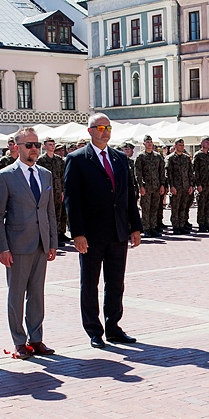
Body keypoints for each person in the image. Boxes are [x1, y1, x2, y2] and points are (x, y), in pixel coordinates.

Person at [64, 114, 142, 348]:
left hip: (117, 232)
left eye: (108, 127)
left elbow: (129, 194)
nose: (105, 131)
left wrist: (135, 227)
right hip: (91, 234)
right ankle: (94, 331)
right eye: (100, 127)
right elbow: (72, 199)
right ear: (90, 131)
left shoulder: (119, 158)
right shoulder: (77, 159)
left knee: (116, 282)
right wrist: (77, 232)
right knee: (90, 283)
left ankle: (113, 327)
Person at [0, 128, 58, 359]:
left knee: (37, 294)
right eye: (28, 145)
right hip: (16, 246)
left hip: (41, 243)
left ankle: (36, 339)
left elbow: (50, 211)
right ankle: (19, 341)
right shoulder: (5, 176)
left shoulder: (46, 174)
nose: (34, 149)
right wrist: (2, 248)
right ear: (16, 147)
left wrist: (52, 242)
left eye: (36, 144)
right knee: (16, 295)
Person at [36, 137, 68, 246]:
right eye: (50, 144)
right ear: (45, 146)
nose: (52, 146)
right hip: (46, 191)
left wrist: (63, 191)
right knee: (47, 214)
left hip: (58, 192)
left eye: (53, 144)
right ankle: (47, 237)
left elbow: (63, 176)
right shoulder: (41, 160)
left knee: (57, 214)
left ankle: (57, 236)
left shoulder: (59, 160)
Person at [134, 135, 166, 238]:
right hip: (146, 187)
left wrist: (162, 185)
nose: (149, 144)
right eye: (147, 142)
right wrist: (140, 186)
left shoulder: (157, 156)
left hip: (156, 187)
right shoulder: (140, 157)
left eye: (151, 142)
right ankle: (146, 229)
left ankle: (153, 227)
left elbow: (161, 172)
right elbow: (138, 173)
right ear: (144, 144)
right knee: (146, 209)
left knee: (154, 208)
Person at [165, 139, 194, 235]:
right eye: (180, 145)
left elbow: (190, 173)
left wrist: (191, 185)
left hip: (185, 187)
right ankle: (176, 226)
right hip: (176, 187)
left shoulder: (186, 158)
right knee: (175, 208)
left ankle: (182, 225)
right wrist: (171, 186)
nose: (182, 146)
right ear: (175, 146)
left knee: (183, 207)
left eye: (183, 145)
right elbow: (168, 174)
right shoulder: (171, 158)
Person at [192, 137, 209, 233]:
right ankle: (201, 224)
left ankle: (208, 222)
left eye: (208, 142)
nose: (207, 144)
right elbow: (195, 171)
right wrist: (197, 184)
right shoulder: (198, 156)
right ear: (201, 143)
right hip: (202, 185)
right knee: (201, 206)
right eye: (205, 142)